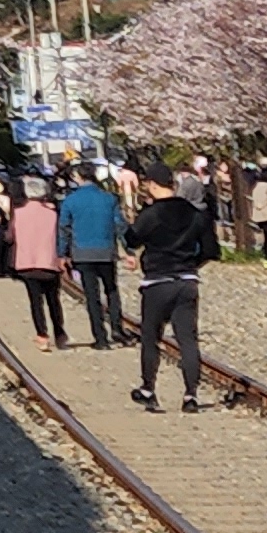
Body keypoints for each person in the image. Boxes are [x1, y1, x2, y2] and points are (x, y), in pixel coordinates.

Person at [124, 170, 222, 412]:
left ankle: (148, 389)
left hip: (157, 281)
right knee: (187, 339)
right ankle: (191, 396)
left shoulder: (151, 214)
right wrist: (191, 264)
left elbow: (131, 239)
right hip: (187, 281)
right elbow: (211, 250)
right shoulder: (196, 214)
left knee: (150, 336)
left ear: (152, 184)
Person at [59, 164, 128, 348]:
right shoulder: (109, 198)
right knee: (111, 290)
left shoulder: (70, 200)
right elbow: (120, 225)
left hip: (82, 253)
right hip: (106, 251)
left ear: (77, 177)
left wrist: (62, 253)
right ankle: (117, 328)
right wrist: (128, 250)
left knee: (92, 295)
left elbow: (64, 229)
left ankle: (100, 337)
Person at [7, 174, 71, 345]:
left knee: (35, 301)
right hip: (49, 262)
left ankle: (42, 335)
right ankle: (60, 333)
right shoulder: (52, 214)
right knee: (53, 299)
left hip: (27, 262)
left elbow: (9, 236)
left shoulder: (18, 213)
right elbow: (60, 236)